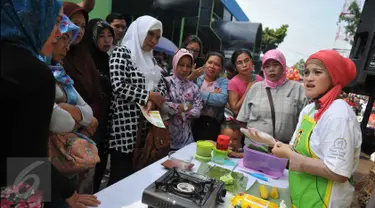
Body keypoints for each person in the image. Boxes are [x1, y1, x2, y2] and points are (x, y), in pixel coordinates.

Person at [0, 1, 100, 207]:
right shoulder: (33, 73)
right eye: (55, 22)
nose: (57, 33)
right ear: (31, 18)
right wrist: (65, 193)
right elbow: (28, 161)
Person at [269, 50, 362, 208]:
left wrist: (290, 155)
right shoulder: (310, 109)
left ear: (333, 77)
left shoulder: (338, 113)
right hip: (302, 193)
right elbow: (298, 148)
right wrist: (278, 146)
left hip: (325, 200)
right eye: (306, 72)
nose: (308, 78)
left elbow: (338, 172)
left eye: (317, 72)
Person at [108, 15, 167, 185]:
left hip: (146, 128)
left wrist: (155, 97)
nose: (154, 40)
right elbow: (118, 85)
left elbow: (161, 83)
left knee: (138, 173)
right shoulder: (122, 53)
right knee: (120, 175)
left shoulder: (151, 58)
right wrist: (147, 96)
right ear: (140, 31)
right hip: (125, 126)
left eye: (157, 37)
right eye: (150, 34)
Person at [237, 49, 306, 143]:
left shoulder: (297, 89)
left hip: (283, 149)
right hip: (254, 146)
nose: (271, 69)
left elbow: (305, 124)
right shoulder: (256, 88)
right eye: (267, 66)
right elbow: (242, 120)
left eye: (275, 65)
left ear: (283, 65)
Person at [84, 18, 115, 193]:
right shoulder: (85, 59)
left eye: (109, 36)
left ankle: (95, 193)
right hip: (89, 116)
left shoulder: (109, 60)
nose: (107, 40)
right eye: (101, 36)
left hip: (105, 116)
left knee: (101, 155)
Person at [162, 48, 203, 150]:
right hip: (166, 138)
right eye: (181, 65)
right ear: (175, 63)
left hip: (187, 140)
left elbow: (198, 111)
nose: (184, 69)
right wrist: (186, 107)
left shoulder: (194, 87)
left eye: (188, 66)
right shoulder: (165, 82)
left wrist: (181, 111)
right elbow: (163, 105)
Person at [192, 51, 228, 141]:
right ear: (205, 64)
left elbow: (222, 100)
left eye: (217, 64)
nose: (212, 66)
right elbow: (189, 97)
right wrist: (213, 96)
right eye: (210, 62)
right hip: (194, 122)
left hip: (213, 124)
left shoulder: (223, 82)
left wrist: (198, 94)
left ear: (221, 69)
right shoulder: (196, 79)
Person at [228, 49, 263, 116]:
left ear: (252, 62)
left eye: (247, 61)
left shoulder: (260, 79)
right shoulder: (233, 83)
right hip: (240, 122)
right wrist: (248, 90)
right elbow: (234, 109)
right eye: (239, 62)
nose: (244, 65)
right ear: (235, 67)